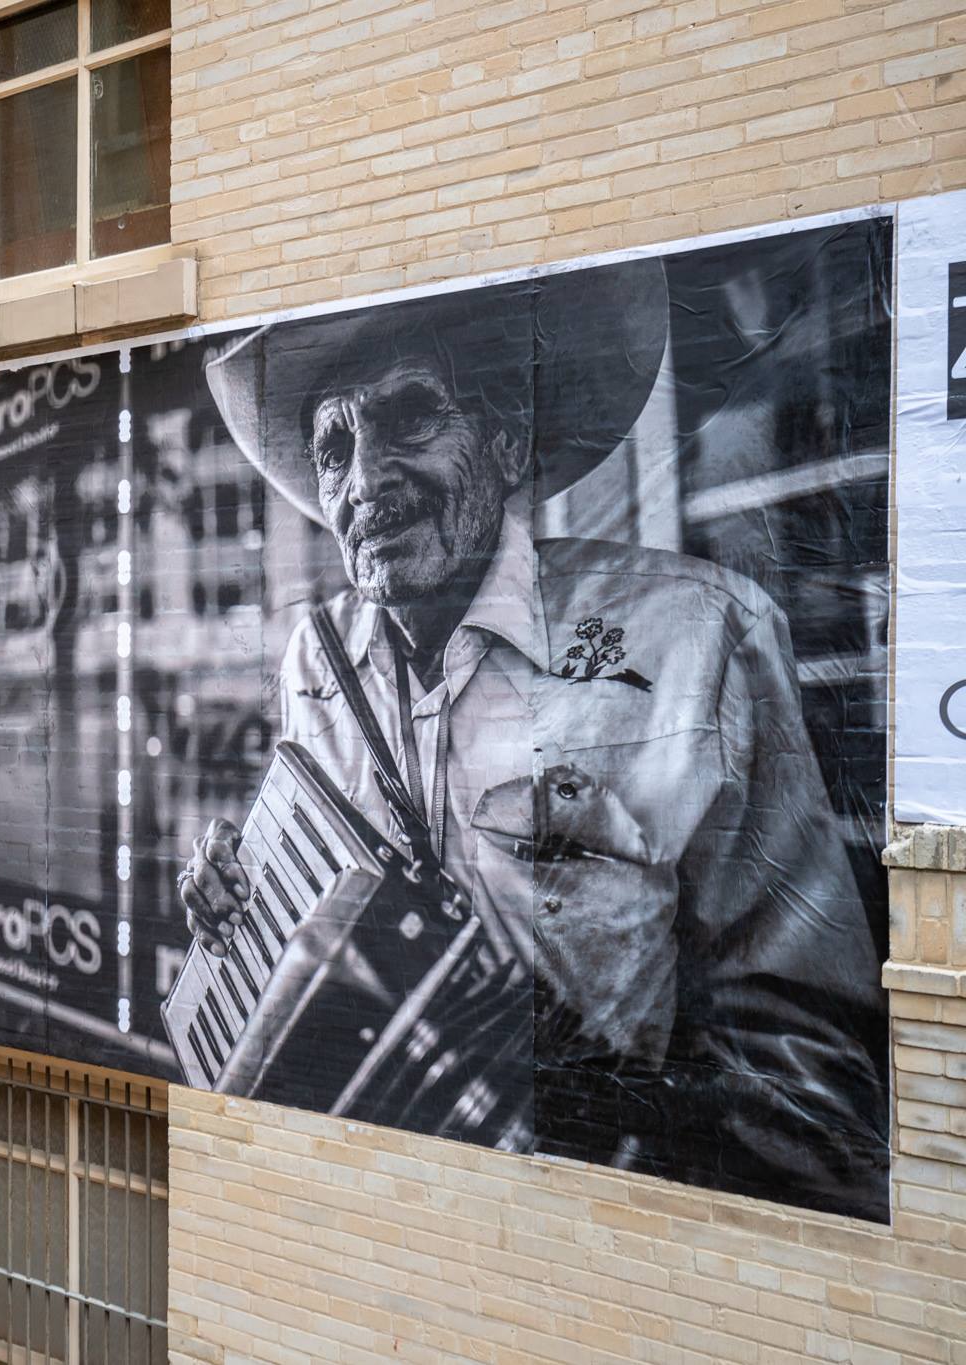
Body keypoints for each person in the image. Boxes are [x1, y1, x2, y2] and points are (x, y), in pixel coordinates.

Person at [181, 258, 888, 1219]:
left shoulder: (697, 637)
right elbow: (331, 910)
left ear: (509, 439)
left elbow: (823, 1080)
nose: (366, 481)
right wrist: (245, 910)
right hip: (369, 1212)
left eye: (410, 415)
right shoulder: (319, 660)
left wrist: (617, 1117)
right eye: (335, 445)